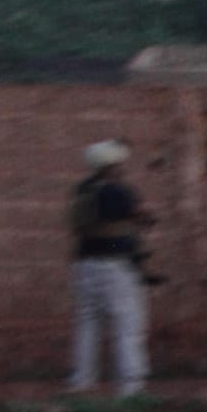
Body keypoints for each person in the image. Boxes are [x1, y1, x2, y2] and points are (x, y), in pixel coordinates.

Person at [67, 139, 156, 398]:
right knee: (128, 326)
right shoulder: (116, 191)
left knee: (88, 325)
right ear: (112, 165)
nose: (122, 167)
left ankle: (83, 381)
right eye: (119, 163)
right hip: (115, 267)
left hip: (85, 264)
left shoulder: (83, 189)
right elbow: (144, 216)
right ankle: (131, 386)